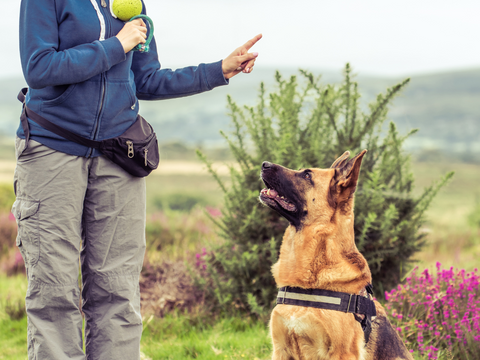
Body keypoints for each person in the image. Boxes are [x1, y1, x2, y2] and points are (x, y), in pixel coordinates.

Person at [14, 0, 261, 359]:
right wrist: (117, 45)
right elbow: (39, 67)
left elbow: (145, 79)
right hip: (53, 150)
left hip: (117, 154)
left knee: (117, 286)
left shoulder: (131, 2)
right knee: (54, 286)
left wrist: (218, 70)